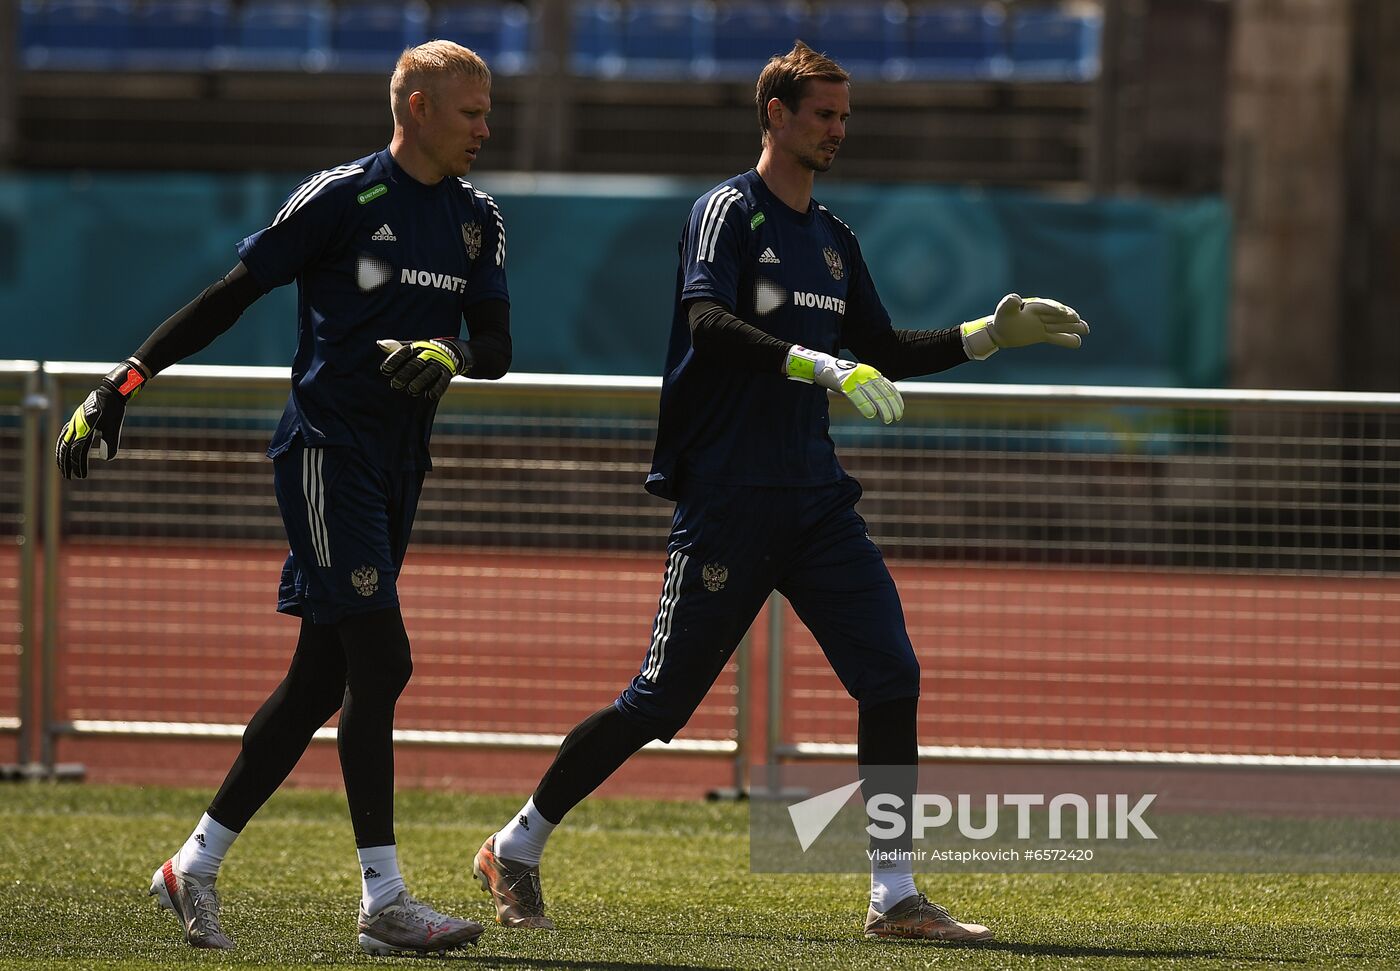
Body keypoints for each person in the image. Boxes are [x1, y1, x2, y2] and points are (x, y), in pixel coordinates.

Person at [471, 41, 1087, 942]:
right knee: (658, 702)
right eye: (823, 115)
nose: (838, 130)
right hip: (727, 496)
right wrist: (811, 359)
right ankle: (516, 844)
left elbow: (883, 346)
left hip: (814, 499)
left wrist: (987, 335)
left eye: (844, 117)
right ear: (776, 115)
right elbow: (707, 322)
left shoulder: (834, 239)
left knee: (891, 675)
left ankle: (895, 895)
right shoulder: (727, 212)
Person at [54, 41, 511, 957]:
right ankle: (384, 900)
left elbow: (495, 345)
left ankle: (192, 865)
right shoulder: (341, 197)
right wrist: (123, 381)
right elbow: (231, 295)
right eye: (470, 112)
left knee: (319, 682)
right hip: (324, 454)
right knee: (382, 661)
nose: (485, 128)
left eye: (487, 111)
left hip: (396, 466)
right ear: (416, 107)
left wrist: (452, 355)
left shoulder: (478, 221)